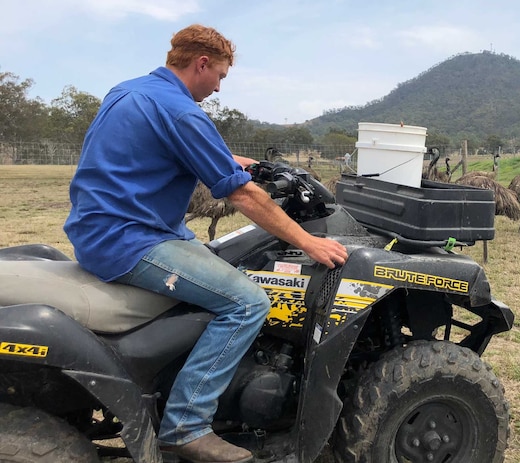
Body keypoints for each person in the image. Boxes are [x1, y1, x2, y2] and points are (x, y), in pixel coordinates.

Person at [64, 24, 348, 463]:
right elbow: (240, 194)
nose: (217, 87)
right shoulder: (182, 111)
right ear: (201, 64)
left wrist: (232, 159)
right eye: (220, 76)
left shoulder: (131, 92)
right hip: (127, 239)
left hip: (106, 224)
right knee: (247, 302)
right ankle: (186, 425)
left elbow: (161, 144)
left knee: (220, 263)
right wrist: (308, 242)